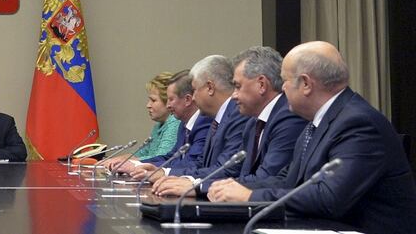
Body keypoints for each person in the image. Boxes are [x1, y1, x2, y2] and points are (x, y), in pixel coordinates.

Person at [208, 41, 416, 234]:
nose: (282, 88)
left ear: (306, 84)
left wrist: (250, 197)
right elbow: (288, 180)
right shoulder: (318, 122)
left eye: (285, 81)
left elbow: (329, 197)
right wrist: (235, 188)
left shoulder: (358, 123)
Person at [192, 46, 306, 194]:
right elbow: (235, 169)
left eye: (238, 87)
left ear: (261, 85)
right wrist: (194, 183)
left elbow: (267, 177)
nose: (233, 96)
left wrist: (199, 187)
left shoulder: (288, 117)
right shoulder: (253, 122)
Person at [147, 55, 250, 196]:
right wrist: (168, 173)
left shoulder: (237, 115)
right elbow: (202, 164)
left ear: (210, 88)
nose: (193, 98)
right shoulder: (217, 118)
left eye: (194, 90)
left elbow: (227, 169)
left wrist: (193, 184)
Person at [113, 70, 212, 176]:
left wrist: (143, 168)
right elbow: (171, 157)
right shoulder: (184, 124)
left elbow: (191, 163)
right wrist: (136, 163)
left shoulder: (204, 123)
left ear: (187, 99)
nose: (168, 105)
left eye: (171, 99)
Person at [101, 72, 181, 168]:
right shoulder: (158, 126)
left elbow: (160, 158)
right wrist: (114, 160)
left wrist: (122, 162)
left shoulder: (175, 123)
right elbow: (140, 155)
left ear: (168, 101)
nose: (148, 105)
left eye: (153, 100)